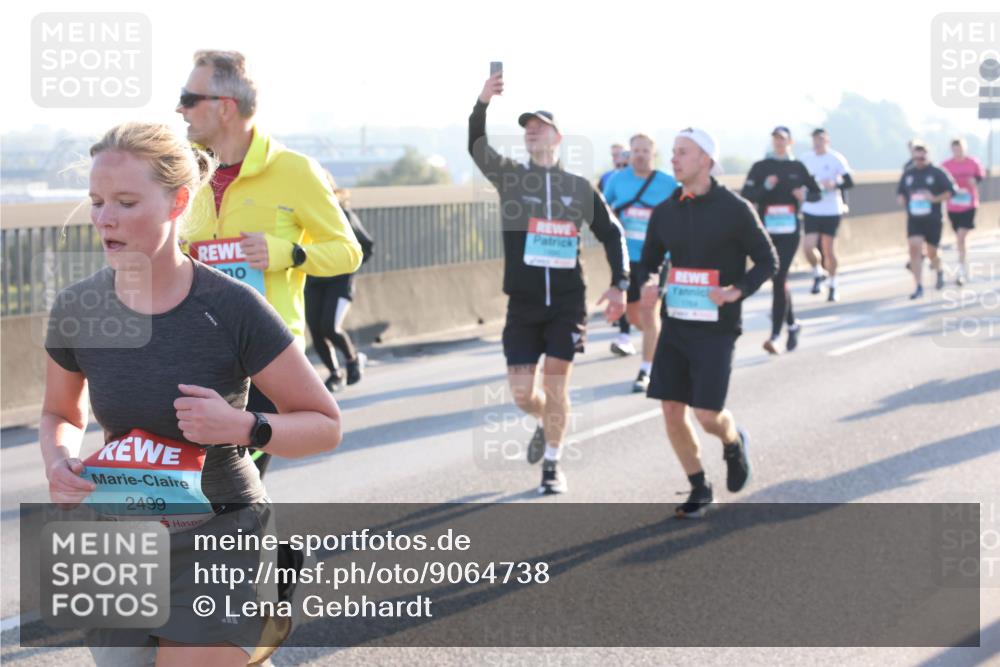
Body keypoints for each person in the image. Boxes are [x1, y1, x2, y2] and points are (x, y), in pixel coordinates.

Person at [41, 122, 343, 666]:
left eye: (126, 202)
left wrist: (246, 426)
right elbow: (59, 411)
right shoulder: (78, 308)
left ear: (178, 201)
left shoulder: (231, 308)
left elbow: (325, 424)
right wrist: (60, 458)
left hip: (219, 531)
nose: (104, 218)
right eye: (96, 202)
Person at [176, 50, 362, 478]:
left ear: (224, 106)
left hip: (266, 355)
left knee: (234, 480)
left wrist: (289, 254)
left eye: (189, 97)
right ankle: (260, 546)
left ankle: (264, 546)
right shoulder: (181, 170)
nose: (179, 108)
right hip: (193, 347)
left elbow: (347, 251)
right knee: (189, 485)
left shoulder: (295, 170)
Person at [469, 71, 628, 494]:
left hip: (566, 303)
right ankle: (545, 420)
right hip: (522, 305)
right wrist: (483, 102)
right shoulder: (510, 178)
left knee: (557, 381)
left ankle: (553, 465)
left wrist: (620, 283)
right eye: (526, 128)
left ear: (557, 137)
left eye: (539, 126)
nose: (531, 132)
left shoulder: (577, 188)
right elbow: (476, 146)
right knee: (524, 395)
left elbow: (613, 233)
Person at [636, 128, 777, 518]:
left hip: (717, 328)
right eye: (673, 152)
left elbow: (768, 260)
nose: (674, 159)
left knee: (707, 414)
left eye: (683, 153)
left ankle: (733, 442)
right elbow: (648, 261)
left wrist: (738, 290)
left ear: (706, 161)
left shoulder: (735, 209)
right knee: (670, 409)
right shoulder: (666, 211)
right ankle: (699, 486)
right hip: (676, 324)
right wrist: (647, 283)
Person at [603, 133, 678, 391]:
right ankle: (658, 337)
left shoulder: (668, 183)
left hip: (657, 259)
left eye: (646, 151)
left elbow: (683, 212)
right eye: (636, 150)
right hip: (626, 258)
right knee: (635, 316)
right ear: (629, 154)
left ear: (653, 154)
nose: (640, 155)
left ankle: (646, 371)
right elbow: (604, 209)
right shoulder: (617, 180)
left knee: (648, 311)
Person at [741, 127, 821, 354]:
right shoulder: (761, 167)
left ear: (790, 142)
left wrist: (805, 196)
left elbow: (818, 193)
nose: (779, 143)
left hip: (790, 231)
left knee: (779, 277)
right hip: (766, 231)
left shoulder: (797, 168)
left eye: (783, 139)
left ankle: (775, 335)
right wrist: (765, 187)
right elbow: (747, 197)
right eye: (775, 139)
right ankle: (793, 325)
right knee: (778, 279)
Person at [305, 178, 375, 390]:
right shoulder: (302, 212)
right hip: (313, 280)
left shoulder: (341, 214)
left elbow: (366, 245)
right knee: (316, 331)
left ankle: (353, 359)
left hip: (339, 281)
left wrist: (347, 267)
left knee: (329, 326)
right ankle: (335, 373)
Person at [800, 128, 854, 302]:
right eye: (815, 139)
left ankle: (833, 284)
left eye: (821, 139)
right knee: (808, 246)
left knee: (828, 249)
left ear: (827, 141)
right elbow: (797, 180)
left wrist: (835, 183)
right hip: (811, 208)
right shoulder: (806, 159)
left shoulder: (835, 158)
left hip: (831, 209)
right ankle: (817, 272)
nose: (818, 142)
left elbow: (849, 181)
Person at [897, 142, 956, 299]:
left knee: (932, 252)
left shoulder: (938, 173)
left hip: (933, 218)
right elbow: (901, 192)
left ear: (927, 156)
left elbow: (951, 192)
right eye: (916, 158)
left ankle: (939, 269)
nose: (919, 161)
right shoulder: (908, 174)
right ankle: (918, 286)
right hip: (915, 218)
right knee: (914, 248)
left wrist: (934, 198)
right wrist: (902, 198)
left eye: (922, 158)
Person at [941, 138, 985, 285]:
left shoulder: (973, 162)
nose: (958, 152)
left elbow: (981, 176)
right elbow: (940, 182)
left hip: (969, 204)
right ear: (951, 150)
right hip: (953, 206)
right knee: (959, 238)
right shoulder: (945, 165)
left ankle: (961, 269)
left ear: (964, 149)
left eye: (960, 149)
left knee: (961, 236)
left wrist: (975, 181)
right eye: (955, 150)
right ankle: (963, 259)